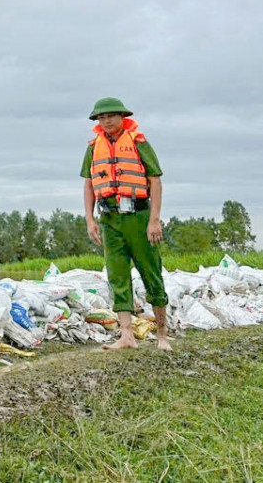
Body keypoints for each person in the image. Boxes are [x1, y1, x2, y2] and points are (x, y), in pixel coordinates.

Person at [81, 97, 172, 352]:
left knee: (151, 272)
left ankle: (162, 334)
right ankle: (126, 335)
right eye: (101, 117)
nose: (106, 121)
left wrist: (154, 220)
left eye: (110, 116)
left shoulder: (138, 142)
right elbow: (89, 185)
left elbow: (155, 180)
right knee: (117, 275)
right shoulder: (92, 148)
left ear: (122, 117)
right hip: (109, 219)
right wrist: (90, 219)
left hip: (138, 217)